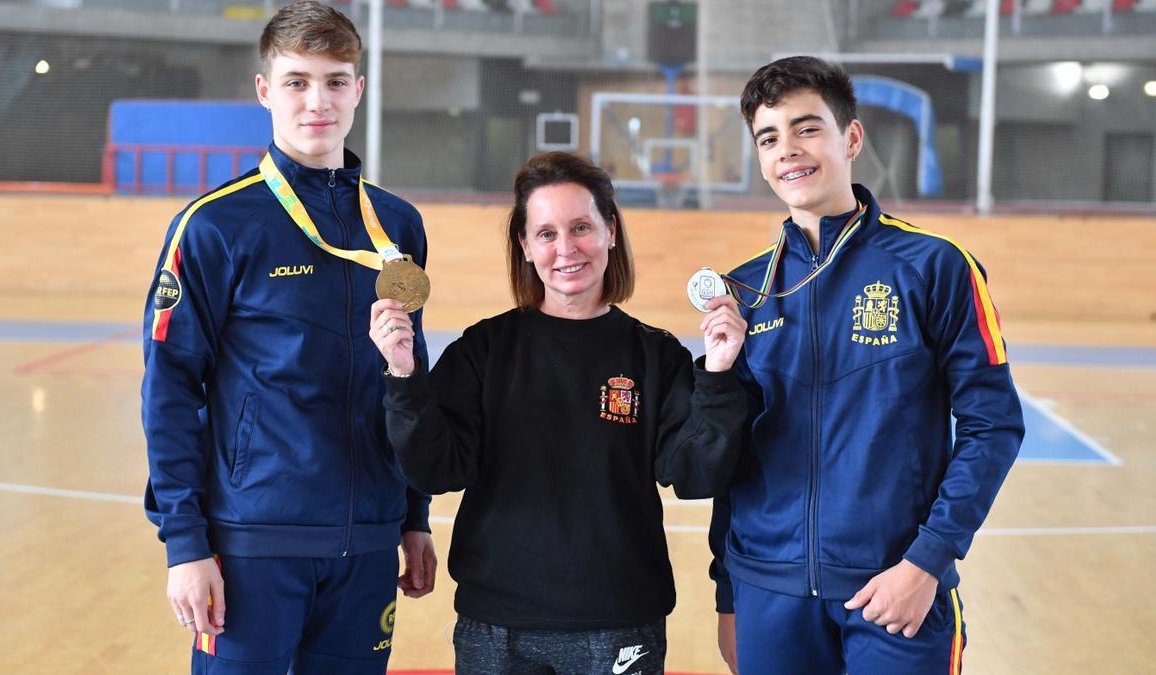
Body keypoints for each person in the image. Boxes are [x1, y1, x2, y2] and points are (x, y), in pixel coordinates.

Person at [369, 151, 747, 674]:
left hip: (620, 620)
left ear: (611, 231)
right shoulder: (483, 350)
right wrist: (405, 378)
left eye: (581, 227)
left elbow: (696, 473)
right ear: (524, 246)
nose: (566, 249)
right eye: (546, 234)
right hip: (496, 626)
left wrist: (720, 374)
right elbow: (439, 469)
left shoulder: (656, 357)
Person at [140, 2, 436, 672]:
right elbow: (170, 387)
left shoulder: (397, 226)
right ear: (264, 90)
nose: (318, 101)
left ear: (359, 90)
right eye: (297, 81)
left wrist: (413, 513)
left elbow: (408, 374)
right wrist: (186, 543)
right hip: (254, 543)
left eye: (336, 81)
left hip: (367, 543)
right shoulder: (215, 225)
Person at [708, 56, 1024, 675]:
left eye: (808, 128)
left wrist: (926, 562)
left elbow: (993, 426)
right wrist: (730, 592)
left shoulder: (935, 267)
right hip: (768, 593)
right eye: (769, 138)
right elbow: (731, 458)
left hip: (894, 590)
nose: (788, 151)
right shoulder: (745, 289)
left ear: (851, 138)